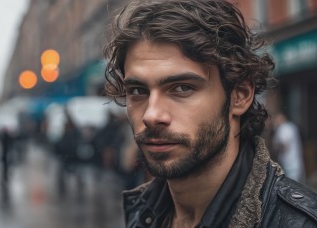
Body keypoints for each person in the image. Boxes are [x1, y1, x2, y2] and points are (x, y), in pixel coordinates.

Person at [103, 1, 317, 227]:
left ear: (240, 95)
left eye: (182, 88)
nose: (151, 114)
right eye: (138, 91)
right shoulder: (144, 210)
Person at [272, 112, 306, 183]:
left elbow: (283, 144)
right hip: (296, 162)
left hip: (288, 164)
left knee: (290, 187)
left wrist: (276, 155)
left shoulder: (283, 128)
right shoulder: (291, 126)